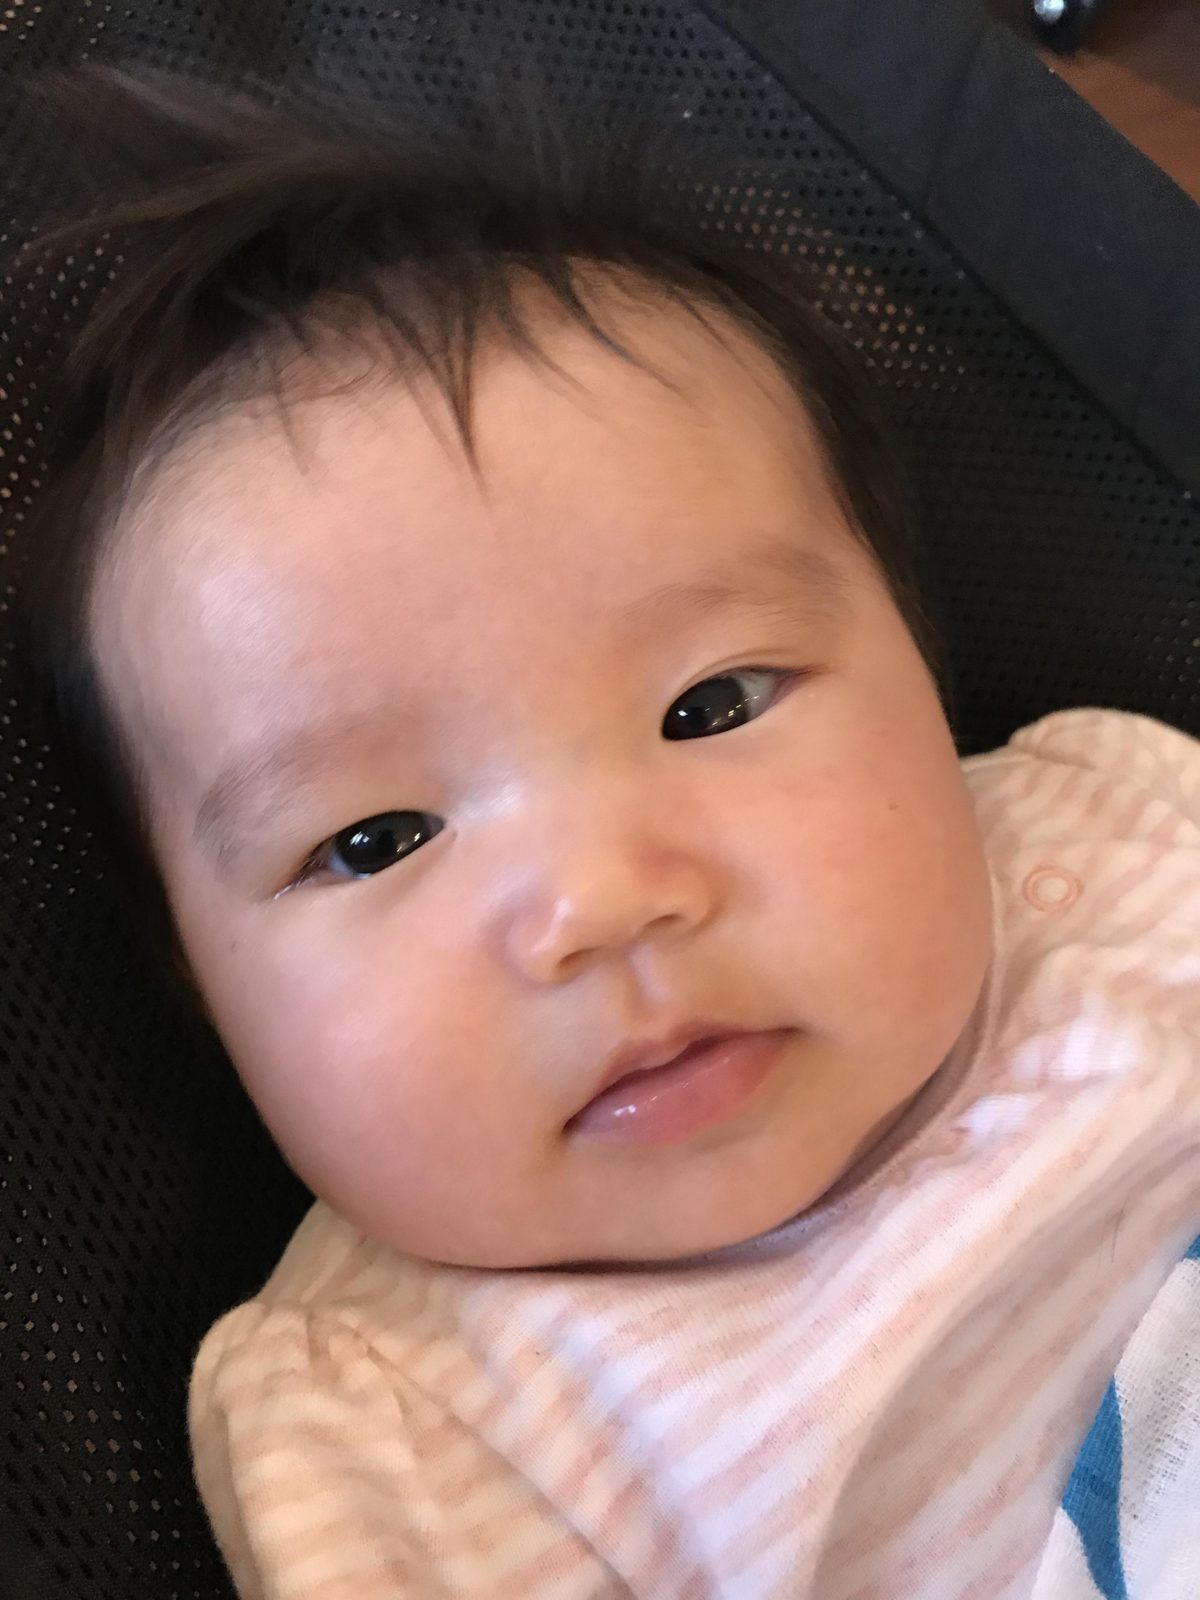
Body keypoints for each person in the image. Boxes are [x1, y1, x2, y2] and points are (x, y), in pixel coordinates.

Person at [21, 67, 1200, 1600]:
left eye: (712, 706)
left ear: (922, 665)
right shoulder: (407, 1423)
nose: (602, 901)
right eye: (376, 842)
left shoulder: (1117, 821)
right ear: (199, 985)